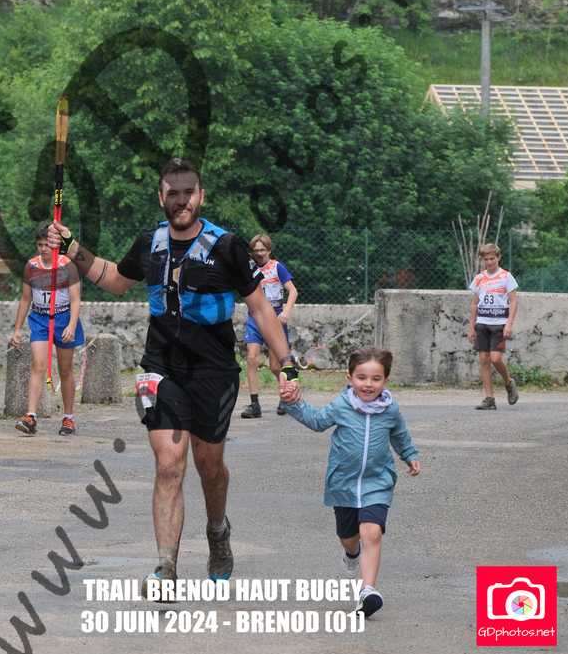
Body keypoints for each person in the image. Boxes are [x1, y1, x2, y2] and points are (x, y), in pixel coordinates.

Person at [46, 158, 300, 599]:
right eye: (172, 194)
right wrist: (72, 247)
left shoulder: (227, 246)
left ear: (201, 196)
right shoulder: (151, 243)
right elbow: (115, 279)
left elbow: (260, 308)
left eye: (188, 193)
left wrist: (287, 364)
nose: (181, 201)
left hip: (214, 371)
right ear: (161, 197)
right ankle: (166, 569)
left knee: (209, 467)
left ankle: (217, 530)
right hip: (161, 367)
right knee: (168, 465)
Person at [282, 346, 420, 618]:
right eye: (361, 377)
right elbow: (317, 421)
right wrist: (293, 403)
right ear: (350, 377)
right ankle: (352, 554)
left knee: (372, 532)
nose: (368, 384)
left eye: (376, 378)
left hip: (377, 482)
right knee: (348, 538)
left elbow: (400, 434)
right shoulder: (342, 405)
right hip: (343, 484)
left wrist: (410, 455)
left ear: (386, 380)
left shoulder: (390, 409)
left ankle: (367, 591)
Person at [9, 222, 85, 437]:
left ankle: (68, 418)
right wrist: (17, 329)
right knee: (38, 365)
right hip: (40, 319)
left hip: (63, 318)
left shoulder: (67, 266)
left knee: (65, 369)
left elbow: (76, 300)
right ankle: (30, 416)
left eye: (47, 245)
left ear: (56, 245)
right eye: (40, 245)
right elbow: (25, 299)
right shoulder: (31, 266)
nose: (43, 249)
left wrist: (71, 325)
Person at [242, 234, 298, 419]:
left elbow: (293, 291)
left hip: (274, 318)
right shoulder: (248, 268)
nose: (259, 254)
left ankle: (285, 395)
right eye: (255, 250)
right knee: (252, 358)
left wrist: (285, 312)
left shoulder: (276, 267)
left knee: (275, 366)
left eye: (262, 250)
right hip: (254, 317)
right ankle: (254, 404)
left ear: (269, 251)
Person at [468, 243, 520, 410]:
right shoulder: (479, 278)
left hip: (499, 324)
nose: (489, 262)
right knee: (484, 360)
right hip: (482, 323)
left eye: (492, 258)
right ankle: (489, 398)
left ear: (498, 258)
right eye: (486, 259)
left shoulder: (506, 277)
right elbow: (474, 303)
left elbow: (513, 301)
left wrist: (509, 324)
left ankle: (508, 382)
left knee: (496, 358)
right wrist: (471, 327)